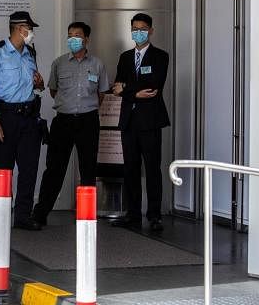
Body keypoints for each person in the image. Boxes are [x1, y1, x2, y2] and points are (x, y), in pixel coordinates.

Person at [32, 22, 109, 226]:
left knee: (88, 169)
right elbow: (53, 91)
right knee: (54, 169)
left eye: (77, 35)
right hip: (63, 121)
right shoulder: (59, 63)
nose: (72, 39)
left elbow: (101, 94)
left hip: (88, 121)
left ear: (86, 39)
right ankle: (40, 214)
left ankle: (87, 216)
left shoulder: (98, 65)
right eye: (70, 35)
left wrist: (84, 106)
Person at [0, 11, 45, 231]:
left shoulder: (30, 53)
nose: (31, 33)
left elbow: (36, 85)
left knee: (29, 168)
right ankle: (3, 215)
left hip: (29, 117)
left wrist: (40, 83)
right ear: (19, 28)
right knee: (4, 169)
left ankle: (23, 216)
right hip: (5, 117)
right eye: (30, 28)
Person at [112, 13, 170, 232]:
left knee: (153, 169)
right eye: (135, 29)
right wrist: (134, 92)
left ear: (151, 31)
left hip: (150, 121)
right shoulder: (125, 57)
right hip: (128, 121)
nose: (138, 32)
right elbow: (117, 87)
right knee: (130, 169)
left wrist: (127, 90)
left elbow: (154, 86)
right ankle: (132, 214)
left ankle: (154, 215)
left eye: (143, 29)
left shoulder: (160, 56)